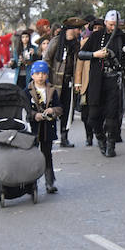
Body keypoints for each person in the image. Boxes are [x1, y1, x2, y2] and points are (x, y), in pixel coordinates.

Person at [78, 13, 125, 157]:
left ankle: (111, 144)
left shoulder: (122, 37)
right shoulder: (96, 36)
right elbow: (81, 54)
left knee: (112, 115)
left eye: (115, 24)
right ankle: (100, 138)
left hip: (113, 80)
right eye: (110, 24)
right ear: (105, 22)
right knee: (93, 116)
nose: (113, 27)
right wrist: (95, 55)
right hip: (97, 80)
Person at [40, 18, 82, 147]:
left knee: (67, 110)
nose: (78, 31)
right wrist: (45, 79)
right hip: (54, 81)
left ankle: (64, 137)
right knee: (52, 109)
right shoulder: (56, 41)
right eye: (76, 29)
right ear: (70, 29)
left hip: (69, 81)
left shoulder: (76, 44)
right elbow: (46, 59)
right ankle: (48, 138)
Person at [26, 61, 61, 194]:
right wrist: (35, 115)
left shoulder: (52, 90)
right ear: (32, 75)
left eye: (43, 73)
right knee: (33, 156)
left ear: (47, 75)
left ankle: (49, 182)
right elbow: (25, 110)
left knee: (47, 155)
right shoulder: (27, 91)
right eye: (37, 73)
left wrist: (53, 110)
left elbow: (60, 108)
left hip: (48, 128)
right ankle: (31, 184)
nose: (40, 76)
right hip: (33, 129)